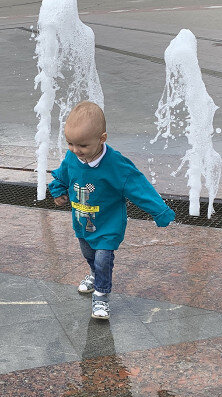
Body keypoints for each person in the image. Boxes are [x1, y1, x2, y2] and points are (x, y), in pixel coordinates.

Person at [48, 101, 175, 320]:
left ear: (102, 139)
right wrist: (58, 190)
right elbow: (62, 174)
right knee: (89, 255)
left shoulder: (116, 165)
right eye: (70, 143)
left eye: (83, 146)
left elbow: (139, 187)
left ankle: (101, 295)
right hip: (82, 223)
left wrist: (160, 212)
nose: (76, 150)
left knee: (103, 259)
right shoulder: (72, 157)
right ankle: (95, 276)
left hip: (108, 225)